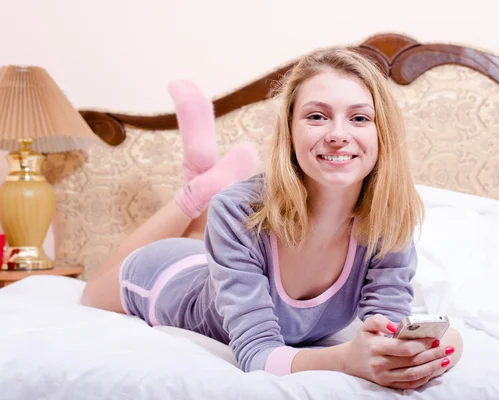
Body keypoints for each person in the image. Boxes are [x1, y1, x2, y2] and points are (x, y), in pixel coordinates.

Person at [82, 47, 463, 390]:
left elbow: (389, 327)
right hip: (167, 279)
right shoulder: (236, 210)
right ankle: (196, 192)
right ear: (290, 130)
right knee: (90, 293)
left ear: (383, 134)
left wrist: (440, 348)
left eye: (359, 118)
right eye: (317, 116)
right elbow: (257, 355)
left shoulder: (387, 219)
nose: (337, 134)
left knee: (212, 236)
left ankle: (203, 176)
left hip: (222, 264)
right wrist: (345, 360)